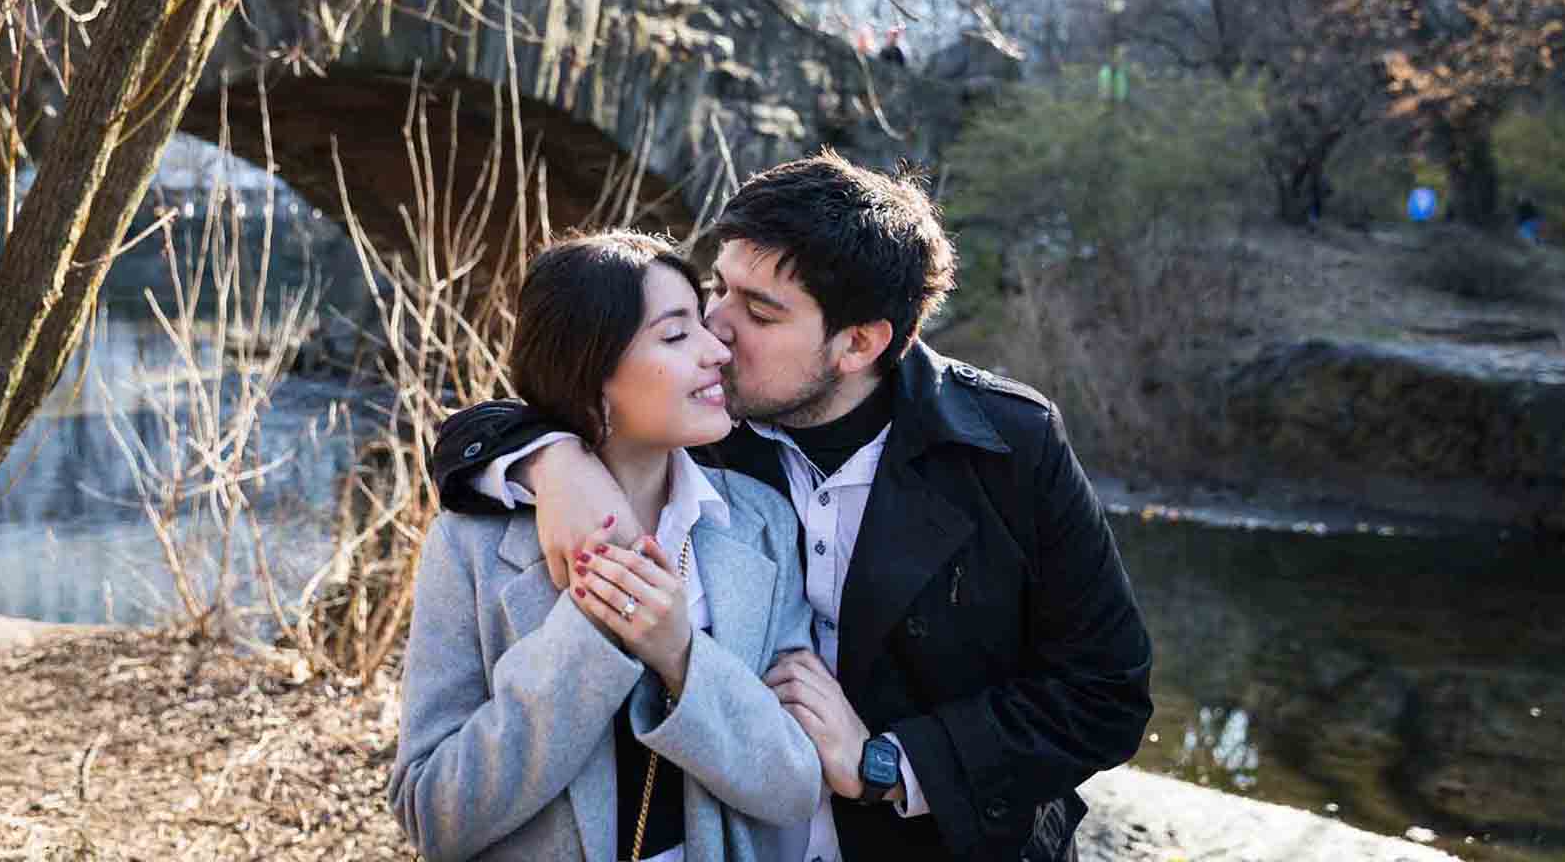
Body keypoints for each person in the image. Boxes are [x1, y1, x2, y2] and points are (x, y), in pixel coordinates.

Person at [430, 153, 1154, 862]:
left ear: (858, 343)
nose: (716, 329)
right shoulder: (709, 422)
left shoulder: (1006, 445)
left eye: (759, 312)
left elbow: (1104, 693)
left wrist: (891, 764)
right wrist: (552, 458)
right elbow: (541, 394)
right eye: (717, 288)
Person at [391, 231, 824, 862]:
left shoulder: (759, 524)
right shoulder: (472, 547)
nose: (716, 350)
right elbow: (433, 815)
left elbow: (791, 789)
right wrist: (590, 640)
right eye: (676, 336)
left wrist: (680, 655)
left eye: (701, 323)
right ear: (592, 372)